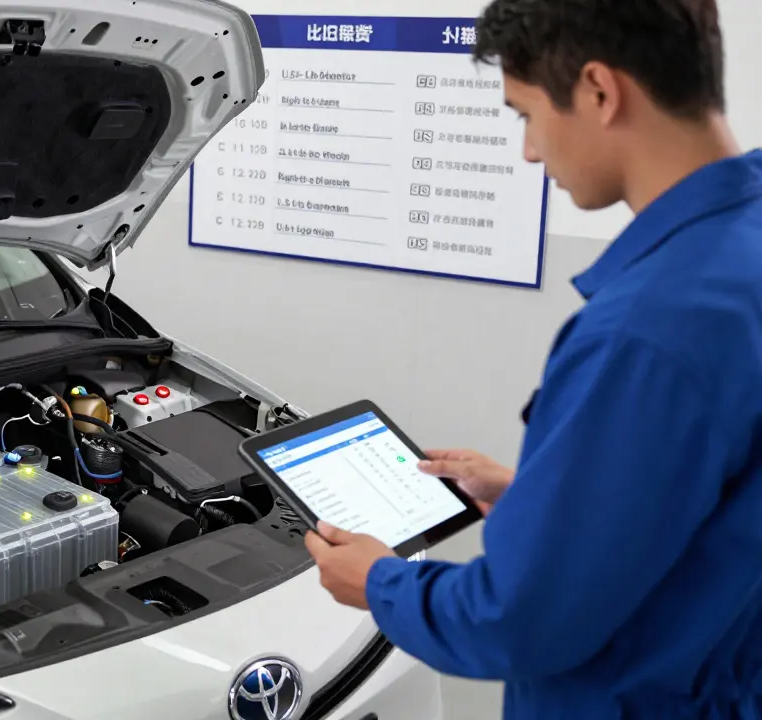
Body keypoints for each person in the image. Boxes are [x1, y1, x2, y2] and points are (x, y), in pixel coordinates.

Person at [303, 0, 762, 717]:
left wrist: (380, 582)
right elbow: (717, 502)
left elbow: (518, 621)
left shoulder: (647, 330)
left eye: (525, 115)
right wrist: (547, 498)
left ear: (599, 92)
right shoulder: (745, 243)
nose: (529, 151)